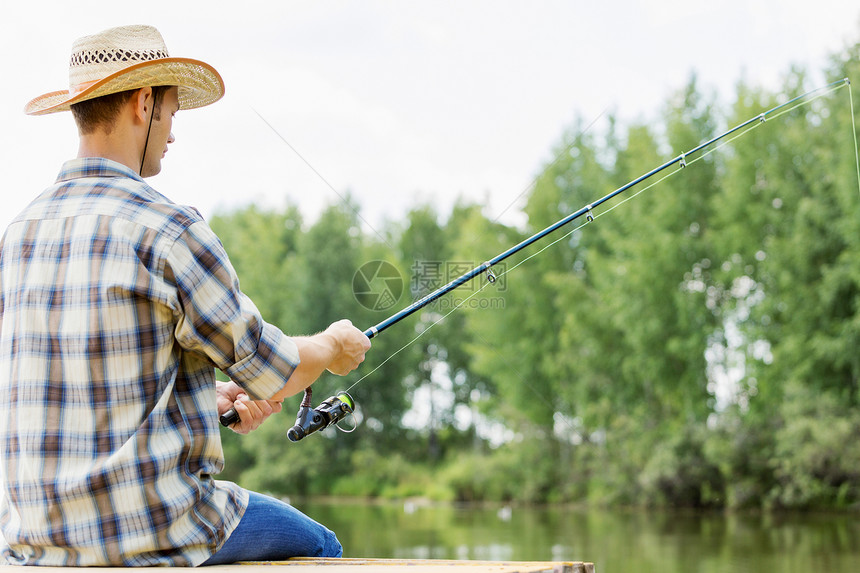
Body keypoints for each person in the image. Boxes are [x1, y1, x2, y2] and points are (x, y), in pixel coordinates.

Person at [0, 25, 371, 566]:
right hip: (154, 528)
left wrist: (201, 395)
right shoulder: (168, 229)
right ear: (143, 104)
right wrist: (334, 346)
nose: (173, 134)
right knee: (322, 546)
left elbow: (75, 377)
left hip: (30, 538)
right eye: (172, 113)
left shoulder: (19, 233)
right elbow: (275, 371)